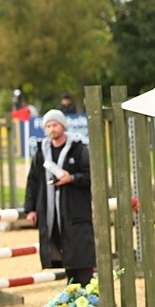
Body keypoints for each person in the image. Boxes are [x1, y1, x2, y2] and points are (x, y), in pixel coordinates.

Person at [23, 109, 95, 285]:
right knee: (65, 255)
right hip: (51, 212)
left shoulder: (79, 149)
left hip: (76, 209)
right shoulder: (42, 152)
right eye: (47, 126)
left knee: (81, 253)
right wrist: (30, 208)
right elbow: (33, 181)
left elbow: (91, 175)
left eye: (54, 124)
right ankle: (73, 297)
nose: (51, 129)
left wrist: (71, 178)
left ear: (62, 125)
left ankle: (88, 295)